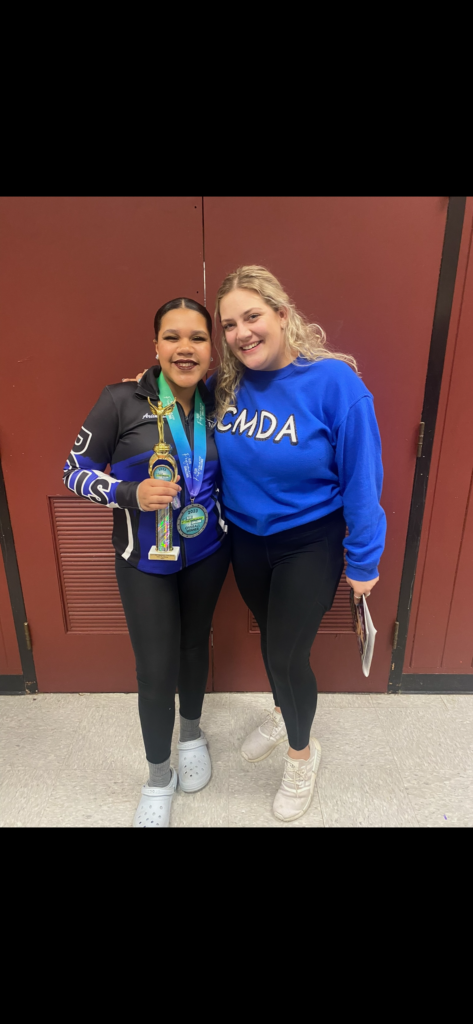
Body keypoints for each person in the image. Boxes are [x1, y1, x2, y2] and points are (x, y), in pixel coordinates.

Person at [127, 265, 386, 824]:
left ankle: (301, 755)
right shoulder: (227, 385)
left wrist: (365, 559)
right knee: (273, 639)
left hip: (308, 542)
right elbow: (173, 399)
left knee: (288, 655)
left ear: (282, 315)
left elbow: (363, 479)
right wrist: (138, 389)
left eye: (252, 317)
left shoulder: (334, 383)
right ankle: (279, 709)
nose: (241, 333)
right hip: (245, 539)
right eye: (229, 325)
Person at [63, 298, 230, 828]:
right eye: (172, 337)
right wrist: (129, 493)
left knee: (194, 647)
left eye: (197, 338)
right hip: (144, 562)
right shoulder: (119, 400)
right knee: (155, 670)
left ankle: (192, 736)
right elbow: (73, 471)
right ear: (155, 345)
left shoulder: (221, 400)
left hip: (208, 551)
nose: (185, 348)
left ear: (212, 349)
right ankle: (159, 778)